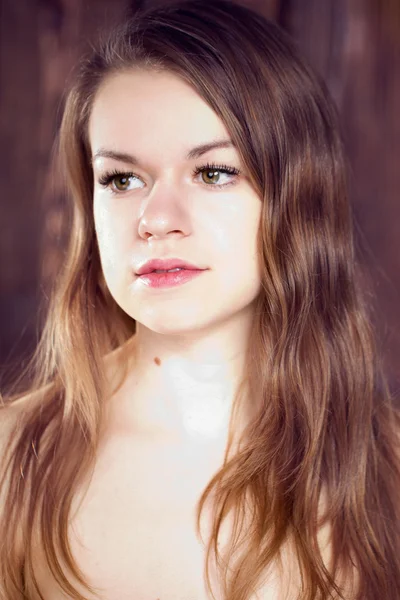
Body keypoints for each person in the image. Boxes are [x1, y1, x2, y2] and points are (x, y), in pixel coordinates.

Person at [1, 0, 399, 598]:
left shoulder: (388, 473)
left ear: (298, 194)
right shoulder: (9, 462)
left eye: (213, 172)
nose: (157, 219)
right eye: (122, 179)